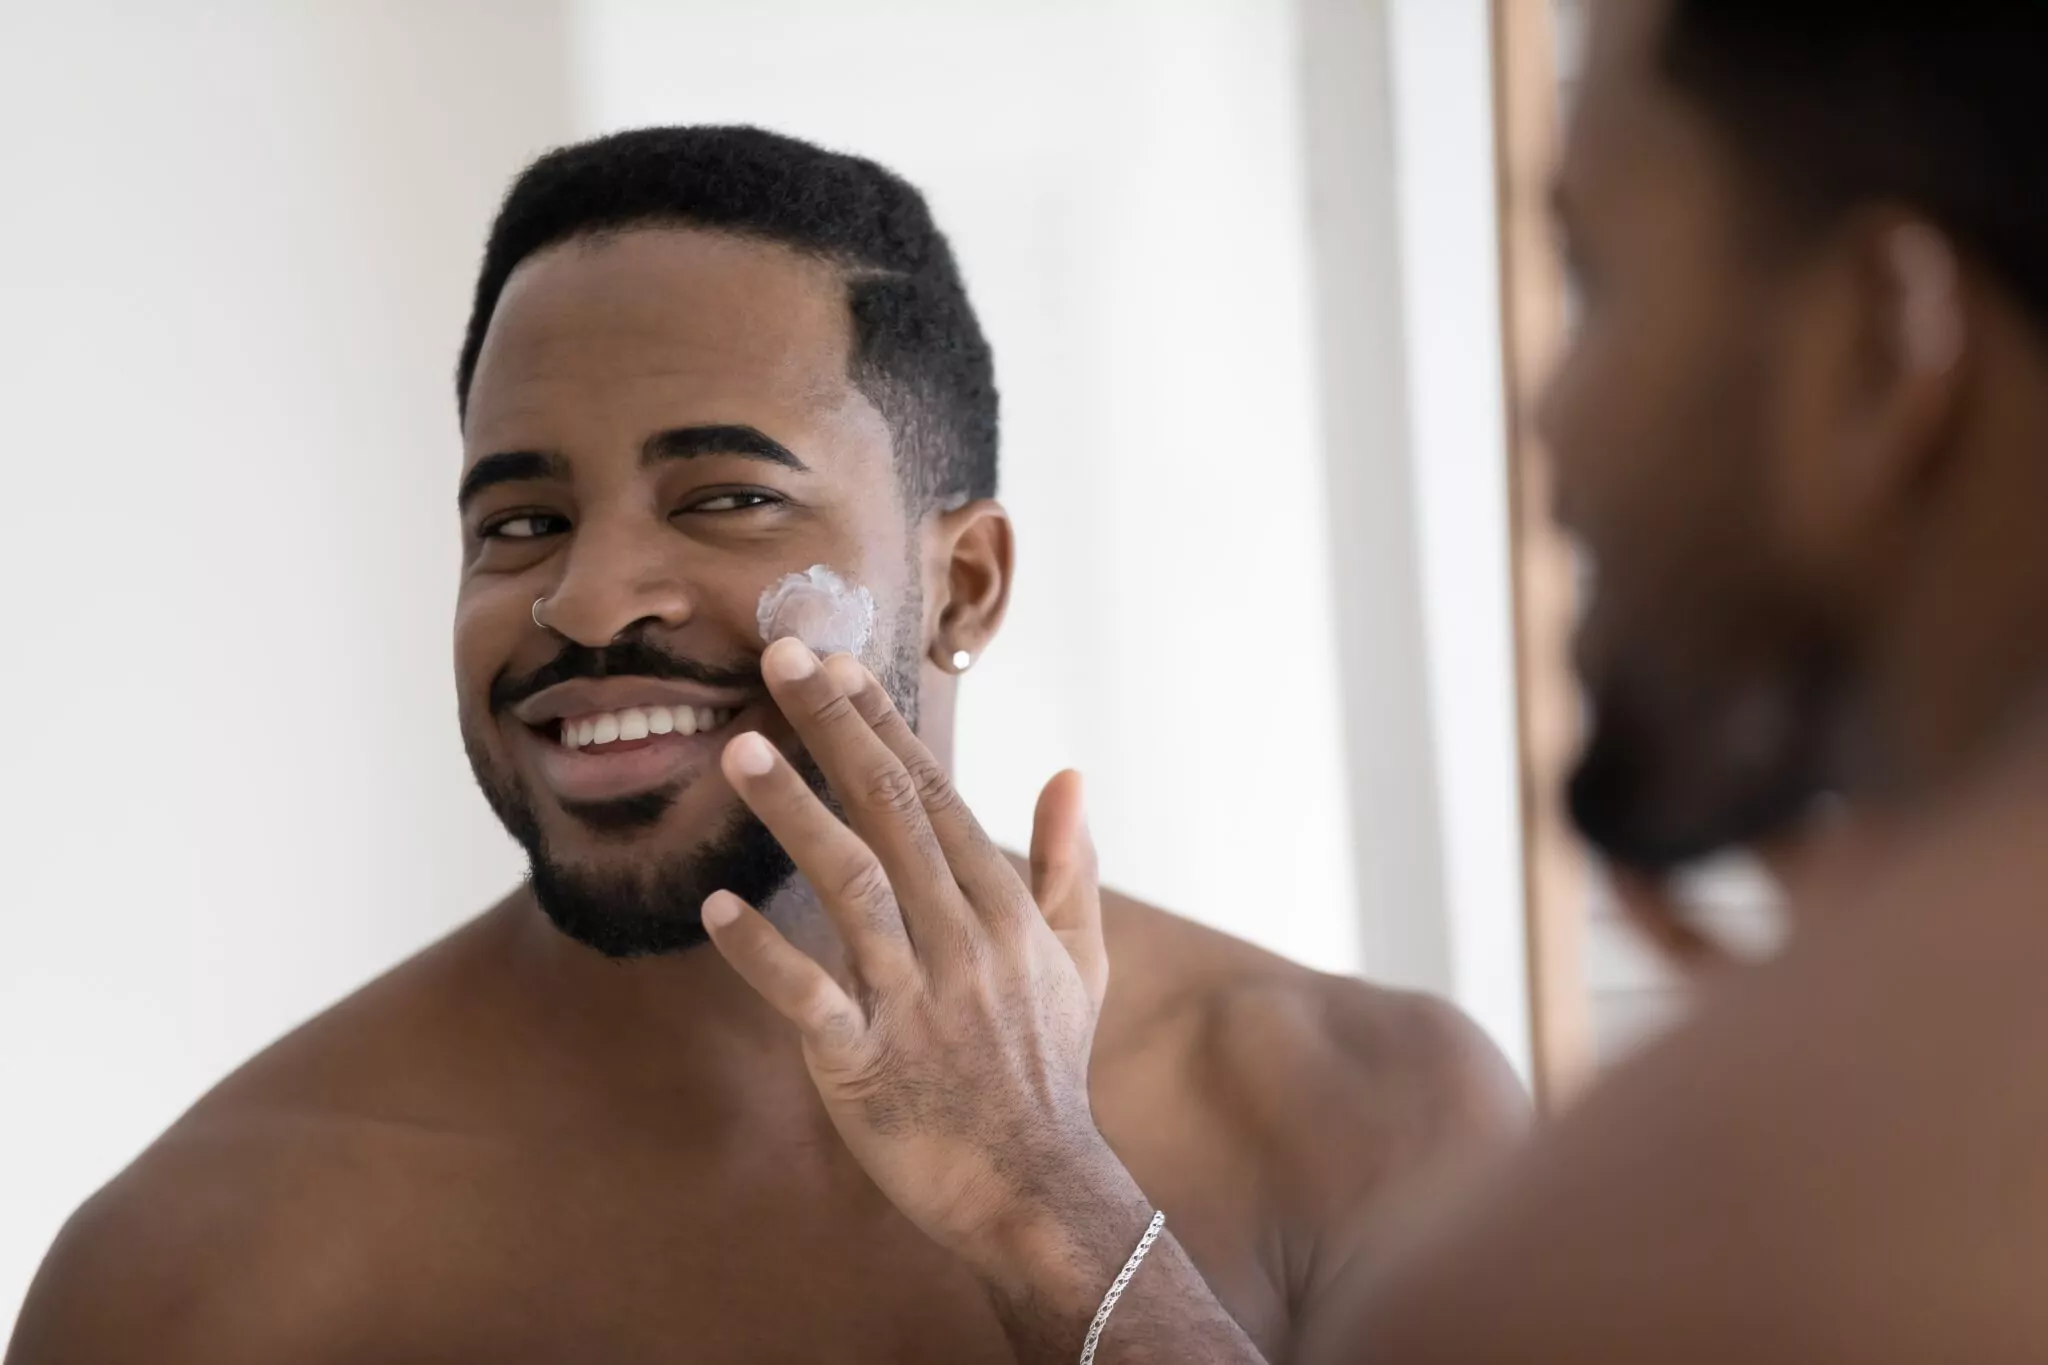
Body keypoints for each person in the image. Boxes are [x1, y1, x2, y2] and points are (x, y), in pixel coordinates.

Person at [5, 126, 1522, 1364]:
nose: (584, 597)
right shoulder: (201, 1267)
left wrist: (1049, 1208)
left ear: (964, 582)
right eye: (519, 522)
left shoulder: (1361, 1119)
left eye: (726, 497)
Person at [695, 2, 2048, 1360]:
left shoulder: (1649, 1260)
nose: (1550, 426)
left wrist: (1046, 1209)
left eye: (1599, 281)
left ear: (1881, 353)